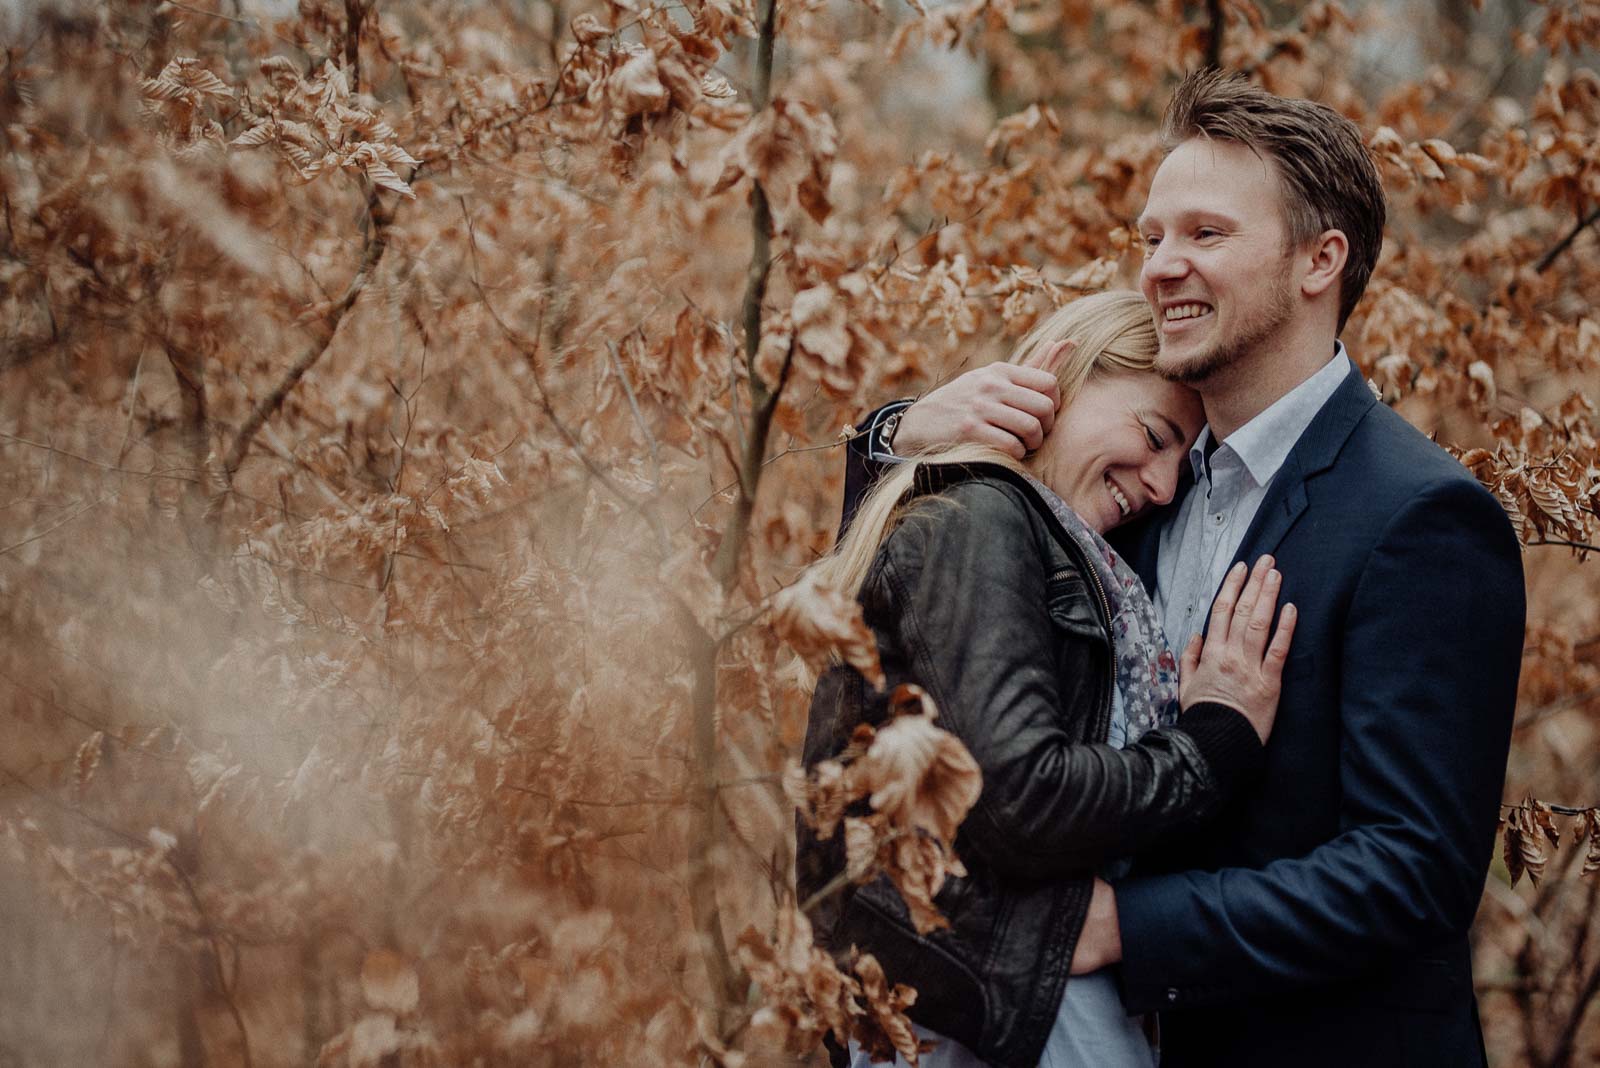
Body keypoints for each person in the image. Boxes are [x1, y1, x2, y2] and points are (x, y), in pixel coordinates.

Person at [842, 71, 1526, 1067]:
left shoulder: (1420, 516)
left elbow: (1412, 871)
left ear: (1318, 260)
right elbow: (922, 613)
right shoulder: (1131, 489)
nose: (1160, 265)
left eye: (1204, 234)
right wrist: (898, 433)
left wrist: (1131, 926)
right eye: (1152, 236)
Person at [798, 289, 1296, 1068]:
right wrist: (1213, 743)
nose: (1164, 487)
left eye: (1180, 466)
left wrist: (887, 435)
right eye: (1155, 435)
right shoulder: (981, 520)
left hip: (1004, 1008)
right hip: (996, 1019)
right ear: (1058, 376)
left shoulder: (1043, 536)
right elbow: (1024, 797)